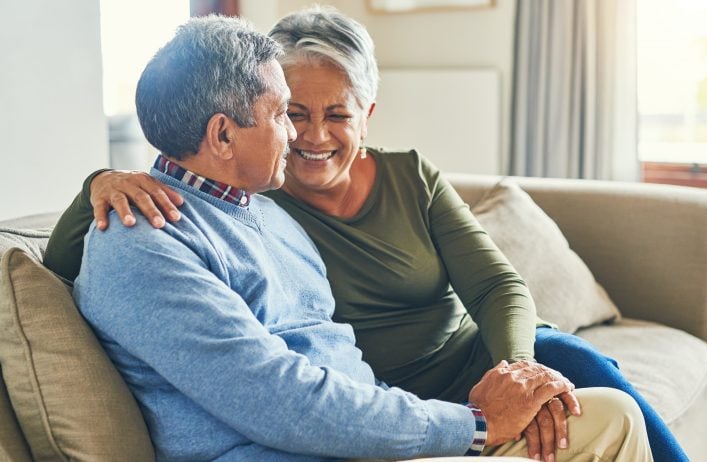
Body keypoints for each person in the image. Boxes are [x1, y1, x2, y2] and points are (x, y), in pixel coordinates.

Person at [53, 12, 653, 462]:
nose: (299, 135)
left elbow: (348, 363)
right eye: (283, 114)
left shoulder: (266, 213)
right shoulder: (144, 244)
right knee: (605, 425)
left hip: (378, 433)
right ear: (222, 134)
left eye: (331, 113)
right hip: (317, 448)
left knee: (609, 410)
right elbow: (280, 400)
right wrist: (472, 426)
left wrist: (465, 414)